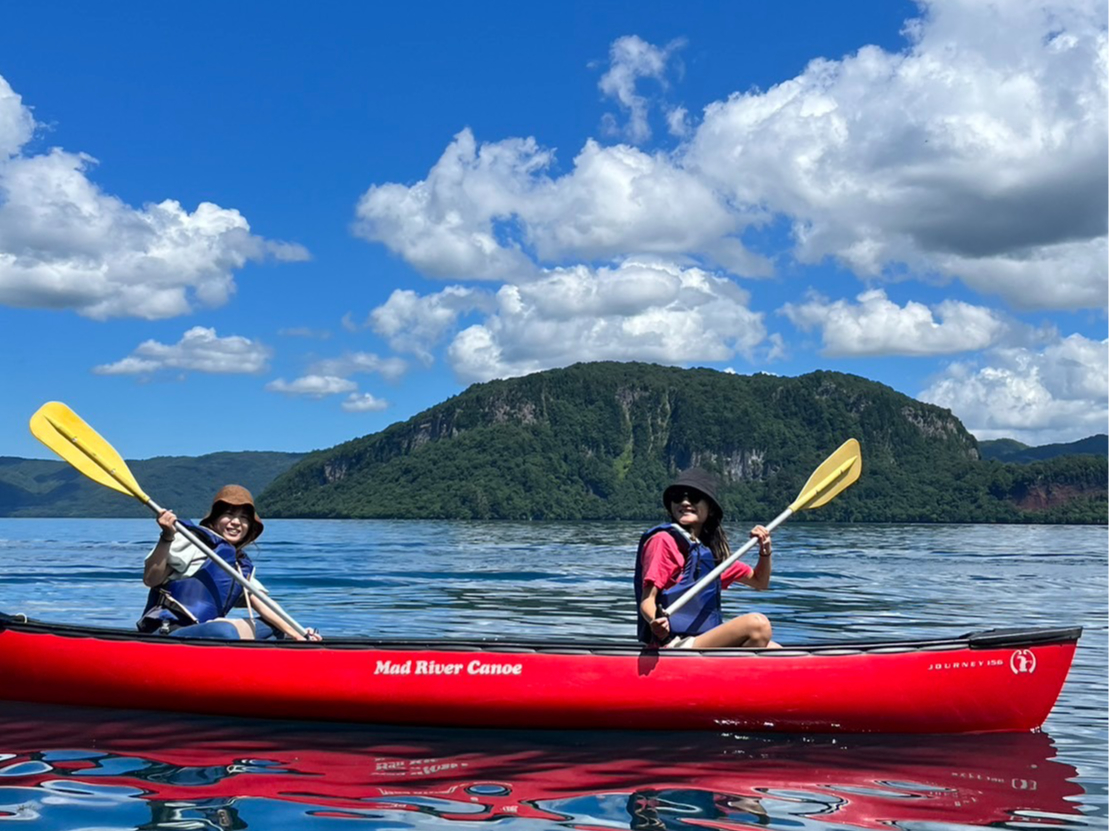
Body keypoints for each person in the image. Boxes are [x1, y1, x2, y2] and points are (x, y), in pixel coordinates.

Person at [137, 484, 320, 641]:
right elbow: (151, 579)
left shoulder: (239, 566)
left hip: (207, 635)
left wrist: (299, 632)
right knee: (225, 630)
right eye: (229, 514)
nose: (236, 522)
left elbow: (265, 604)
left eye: (244, 518)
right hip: (169, 632)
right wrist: (167, 537)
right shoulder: (191, 541)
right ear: (215, 519)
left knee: (279, 627)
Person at [635, 468, 777, 648]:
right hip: (673, 644)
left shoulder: (711, 556)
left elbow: (760, 582)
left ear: (709, 509)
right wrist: (656, 622)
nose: (685, 502)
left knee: (778, 651)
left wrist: (765, 550)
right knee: (758, 625)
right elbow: (647, 600)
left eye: (694, 497)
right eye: (678, 497)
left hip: (701, 643)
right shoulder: (663, 541)